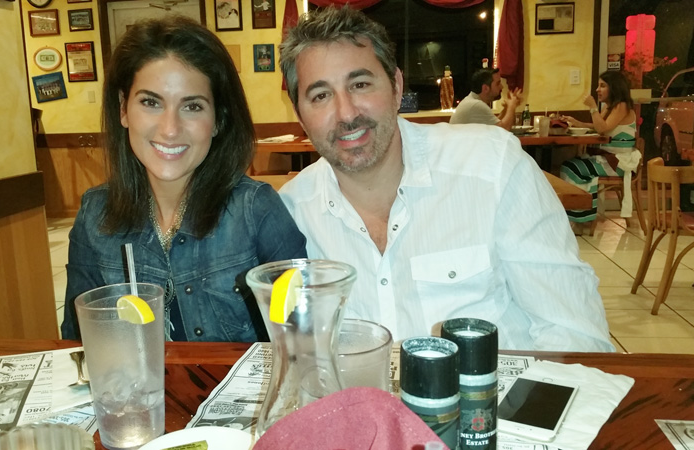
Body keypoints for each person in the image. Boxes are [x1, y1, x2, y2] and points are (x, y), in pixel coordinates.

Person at [277, 6, 614, 352]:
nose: (346, 113)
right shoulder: (289, 215)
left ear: (396, 87)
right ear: (300, 116)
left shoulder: (493, 166)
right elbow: (290, 348)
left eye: (360, 84)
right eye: (320, 96)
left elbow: (576, 337)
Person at [61, 16, 307, 342]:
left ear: (218, 120)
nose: (170, 129)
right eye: (150, 102)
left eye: (192, 106)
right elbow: (77, 342)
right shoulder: (95, 215)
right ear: (123, 109)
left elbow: (303, 338)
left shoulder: (256, 209)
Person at [560, 71, 640, 230]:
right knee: (571, 166)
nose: (597, 90)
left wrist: (592, 107)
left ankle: (582, 216)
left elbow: (602, 128)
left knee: (571, 168)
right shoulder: (610, 107)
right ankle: (582, 214)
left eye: (602, 86)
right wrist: (577, 123)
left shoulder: (621, 106)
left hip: (618, 163)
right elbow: (599, 126)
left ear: (614, 87)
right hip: (609, 160)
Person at [449, 68, 522, 130]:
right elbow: (503, 130)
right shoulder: (476, 105)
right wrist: (512, 106)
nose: (501, 87)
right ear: (485, 88)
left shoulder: (473, 101)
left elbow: (493, 125)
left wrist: (507, 108)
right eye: (498, 83)